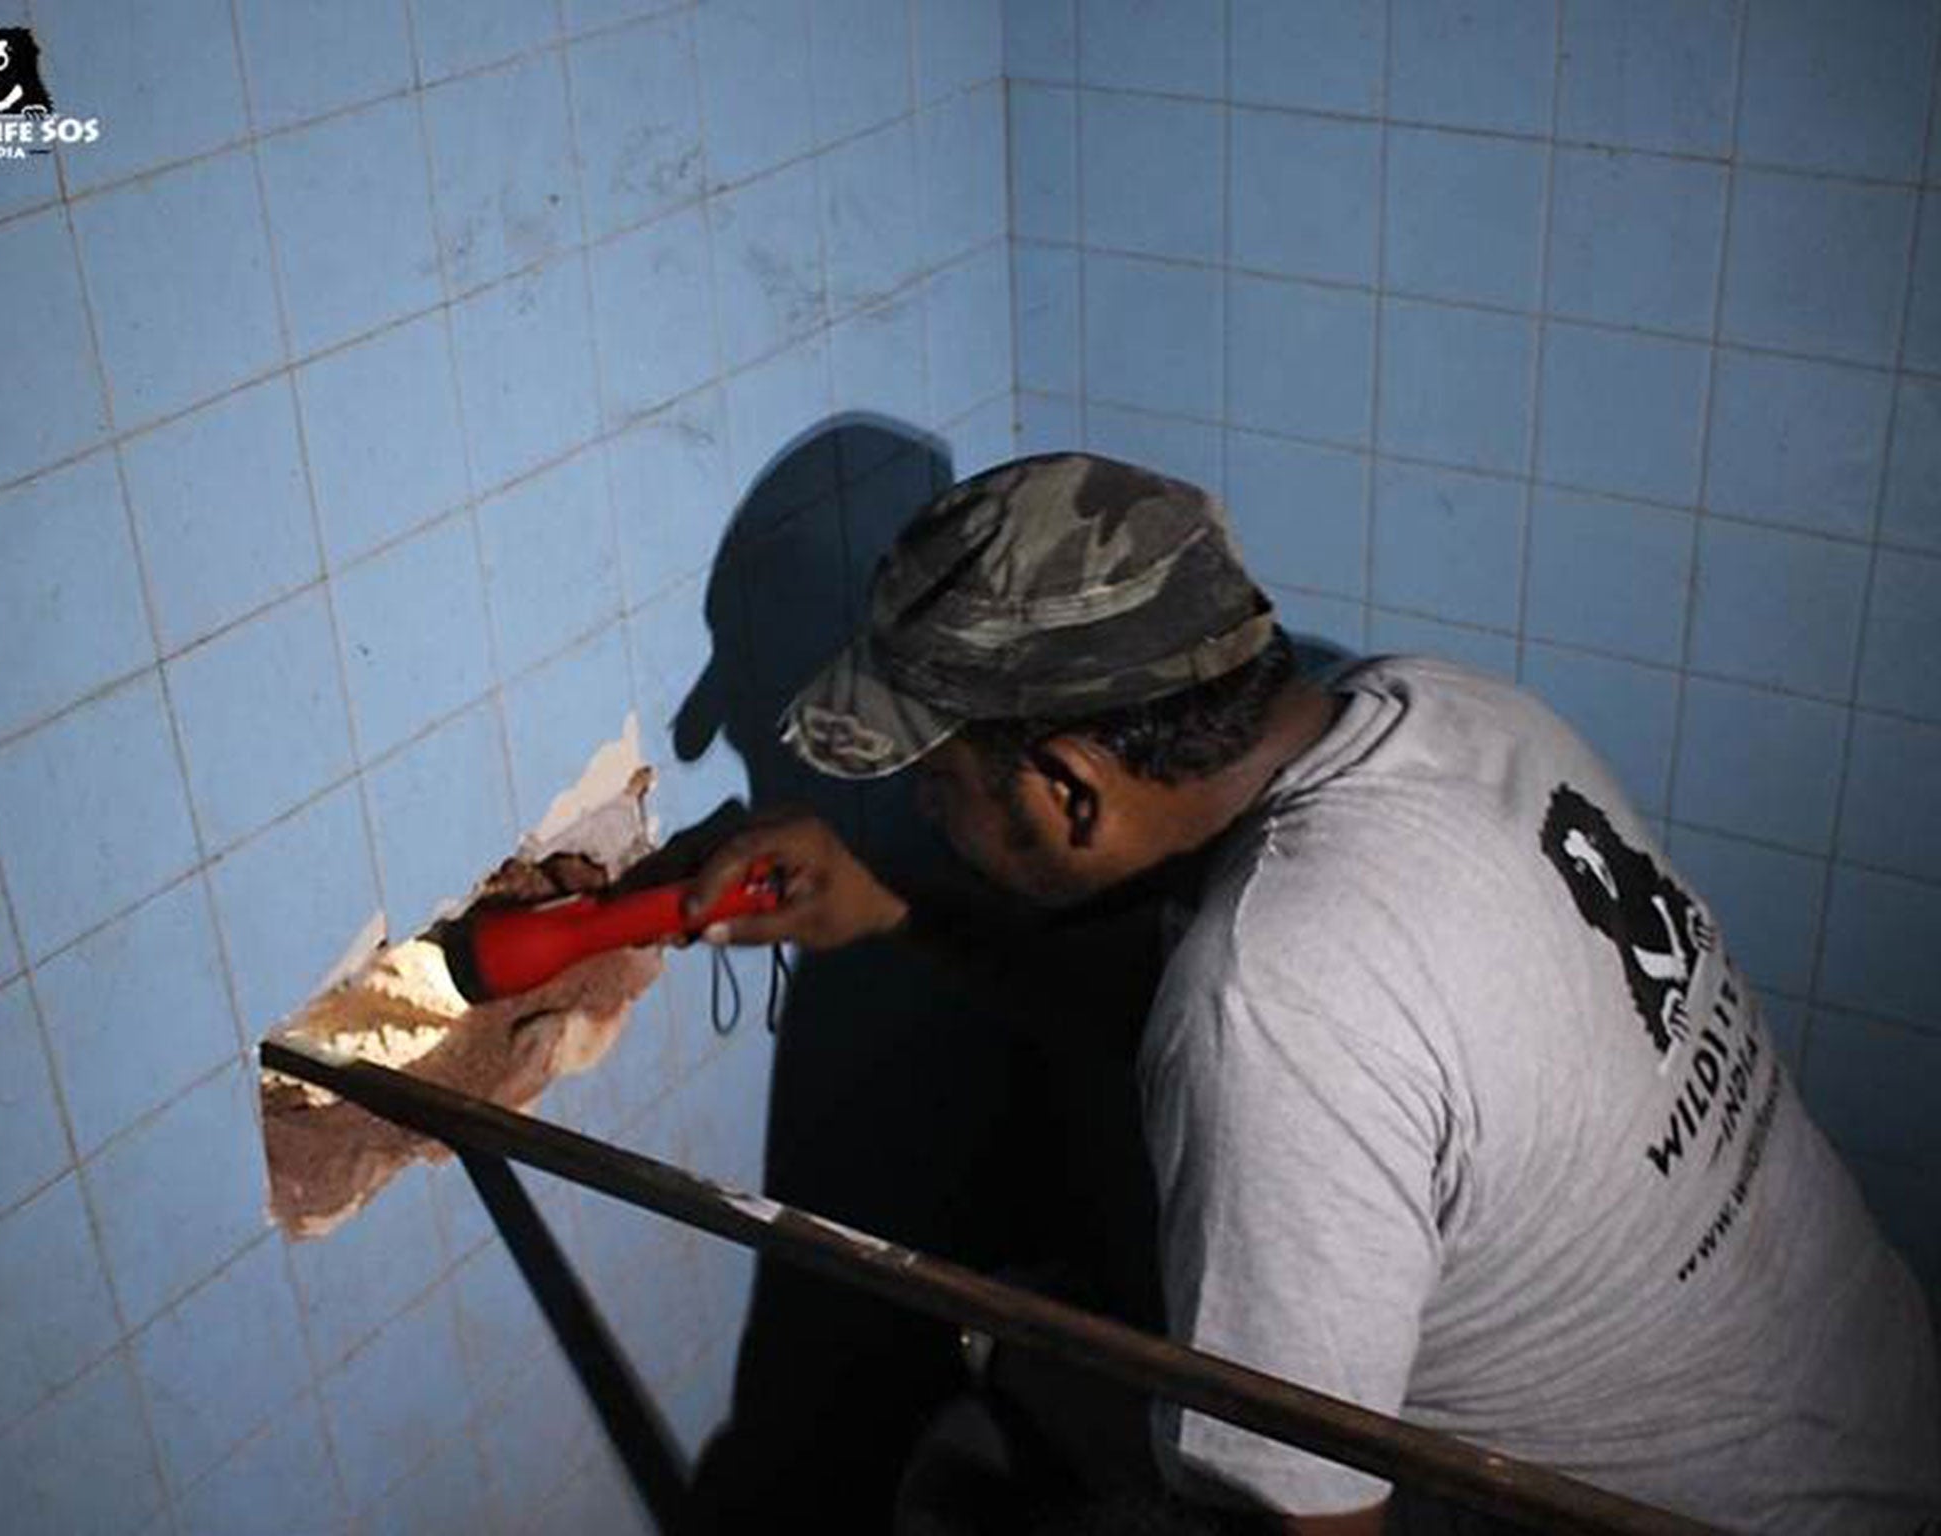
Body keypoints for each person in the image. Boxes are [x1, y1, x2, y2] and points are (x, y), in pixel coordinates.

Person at [673, 453, 1941, 1533]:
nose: (921, 817)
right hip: (1872, 1439)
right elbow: (1271, 1036)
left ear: (1067, 790)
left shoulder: (1274, 999)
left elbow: (1305, 1522)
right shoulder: (1444, 714)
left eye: (933, 787)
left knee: (973, 1465)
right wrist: (897, 907)